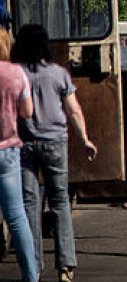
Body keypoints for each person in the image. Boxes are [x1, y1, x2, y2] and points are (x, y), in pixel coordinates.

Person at [14, 25, 99, 280]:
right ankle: (66, 265)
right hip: (55, 143)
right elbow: (73, 109)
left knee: (29, 204)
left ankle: (34, 267)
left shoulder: (15, 74)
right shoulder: (58, 73)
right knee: (60, 202)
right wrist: (85, 139)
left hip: (24, 144)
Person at [0, 30, 37, 282]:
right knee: (16, 215)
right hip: (8, 149)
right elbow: (27, 111)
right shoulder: (16, 73)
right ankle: (31, 275)